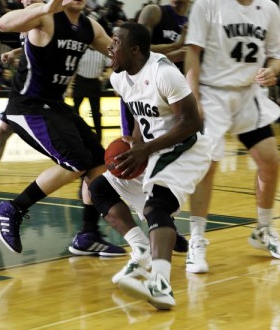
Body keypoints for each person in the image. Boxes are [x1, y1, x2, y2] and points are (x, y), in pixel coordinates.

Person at [0, 0, 125, 257]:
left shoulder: (90, 27)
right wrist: (46, 6)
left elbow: (119, 54)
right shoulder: (45, 16)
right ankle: (11, 208)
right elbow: (2, 24)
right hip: (28, 104)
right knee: (75, 162)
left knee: (97, 163)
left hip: (55, 104)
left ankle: (88, 235)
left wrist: (156, 62)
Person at [184, 0, 280, 274]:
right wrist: (193, 99)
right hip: (213, 94)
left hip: (248, 94)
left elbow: (277, 54)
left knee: (270, 161)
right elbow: (192, 53)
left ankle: (263, 230)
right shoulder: (210, 1)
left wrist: (273, 70)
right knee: (208, 165)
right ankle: (197, 240)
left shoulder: (268, 8)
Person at [89, 22, 212, 309]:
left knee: (157, 207)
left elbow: (192, 122)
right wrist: (134, 143)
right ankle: (142, 248)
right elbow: (138, 112)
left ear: (134, 50)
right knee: (100, 188)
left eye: (115, 42)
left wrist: (147, 148)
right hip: (153, 149)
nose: (109, 46)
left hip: (186, 149)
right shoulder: (120, 78)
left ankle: (161, 285)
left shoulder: (165, 73)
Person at [119, 0, 197, 252]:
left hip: (165, 100)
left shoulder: (194, 23)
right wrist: (178, 48)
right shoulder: (155, 12)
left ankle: (163, 225)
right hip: (138, 96)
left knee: (158, 169)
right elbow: (135, 48)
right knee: (125, 162)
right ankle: (89, 229)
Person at [0, 0, 45, 175]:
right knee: (1, 133)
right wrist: (14, 52)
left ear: (42, 1)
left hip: (37, 92)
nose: (30, 0)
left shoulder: (44, 22)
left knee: (56, 147)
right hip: (22, 88)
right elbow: (29, 47)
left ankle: (86, 171)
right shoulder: (25, 24)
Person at [68, 46, 112, 142]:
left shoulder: (102, 51)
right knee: (75, 110)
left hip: (94, 83)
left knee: (96, 113)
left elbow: (110, 67)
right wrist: (70, 87)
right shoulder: (81, 49)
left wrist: (105, 77)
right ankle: (77, 134)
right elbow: (73, 70)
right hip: (80, 82)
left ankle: (99, 139)